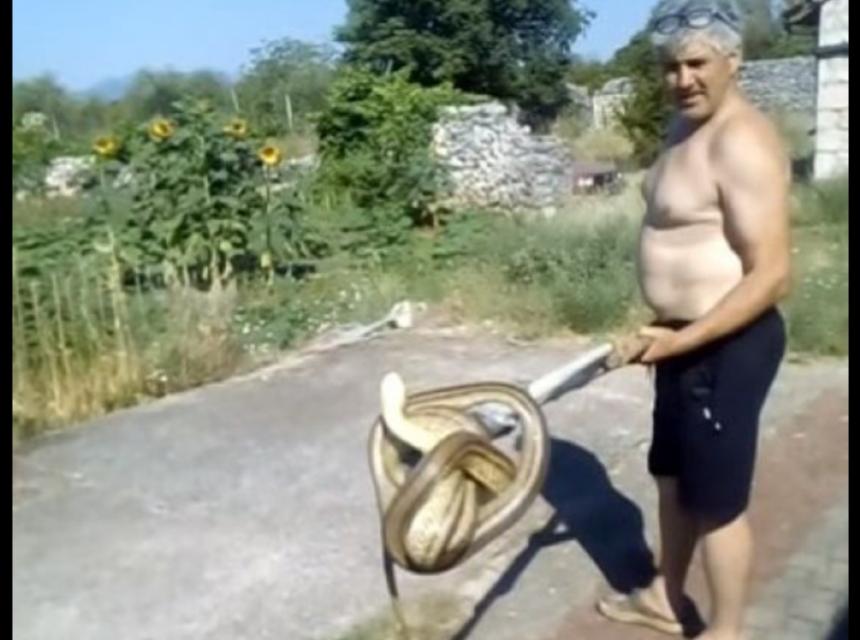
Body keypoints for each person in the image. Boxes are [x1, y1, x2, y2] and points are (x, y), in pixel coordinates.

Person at [596, 1, 792, 639]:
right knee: (672, 477)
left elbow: (771, 274)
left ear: (734, 60)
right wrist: (663, 329)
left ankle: (726, 631)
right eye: (671, 67)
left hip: (727, 344)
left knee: (717, 504)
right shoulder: (683, 128)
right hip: (680, 338)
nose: (683, 79)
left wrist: (685, 340)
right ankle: (665, 597)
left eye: (698, 64)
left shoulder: (742, 141)